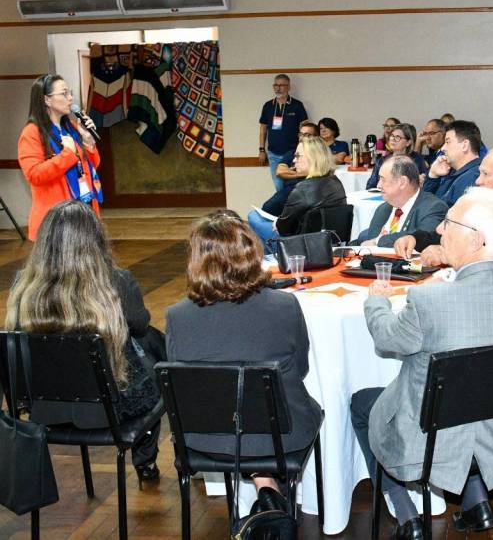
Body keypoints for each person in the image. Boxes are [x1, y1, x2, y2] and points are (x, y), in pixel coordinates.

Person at [351, 188, 493, 539]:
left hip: (430, 445)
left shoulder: (430, 299)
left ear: (476, 240)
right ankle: (475, 500)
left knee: (361, 403)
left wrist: (376, 302)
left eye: (449, 222)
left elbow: (388, 339)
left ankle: (405, 513)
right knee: (469, 397)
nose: (440, 230)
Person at [167, 212, 321, 502]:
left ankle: (265, 488)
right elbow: (300, 369)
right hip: (279, 436)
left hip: (207, 438)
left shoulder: (177, 316)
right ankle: (270, 490)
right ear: (251, 254)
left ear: (196, 260)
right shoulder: (285, 305)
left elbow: (184, 384)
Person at [6, 200, 162, 481]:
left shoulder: (23, 286)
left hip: (44, 408)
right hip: (108, 411)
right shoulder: (117, 281)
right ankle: (145, 462)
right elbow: (140, 325)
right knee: (154, 349)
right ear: (96, 239)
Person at [394, 146, 493, 261]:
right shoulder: (488, 200)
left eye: (485, 174)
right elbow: (453, 230)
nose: (478, 181)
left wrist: (447, 254)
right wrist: (415, 238)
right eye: (479, 173)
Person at [18, 74, 102, 242]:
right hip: (56, 221)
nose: (70, 98)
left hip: (83, 211)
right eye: (64, 93)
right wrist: (68, 155)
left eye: (70, 93)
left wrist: (88, 141)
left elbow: (92, 166)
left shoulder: (71, 127)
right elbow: (34, 175)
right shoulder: (32, 133)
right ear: (47, 100)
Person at [248, 136, 347, 250]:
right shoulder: (336, 182)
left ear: (312, 158)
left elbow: (282, 228)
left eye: (298, 156)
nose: (294, 160)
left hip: (299, 247)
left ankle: (270, 258)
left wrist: (278, 223)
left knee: (253, 216)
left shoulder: (302, 190)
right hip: (329, 243)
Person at [356, 154, 448, 247]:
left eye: (383, 179)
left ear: (402, 182)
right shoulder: (382, 209)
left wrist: (378, 241)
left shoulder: (434, 208)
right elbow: (370, 247)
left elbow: (424, 238)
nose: (378, 185)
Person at [254, 120, 320, 219]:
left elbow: (319, 171)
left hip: (305, 190)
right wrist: (301, 173)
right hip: (289, 189)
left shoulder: (319, 154)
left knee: (258, 215)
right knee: (264, 211)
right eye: (301, 134)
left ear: (316, 137)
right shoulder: (291, 153)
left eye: (307, 135)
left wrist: (291, 172)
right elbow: (280, 172)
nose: (302, 137)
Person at [258, 74, 308, 192]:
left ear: (288, 87)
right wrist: (261, 150)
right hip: (273, 154)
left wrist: (303, 148)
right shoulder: (268, 106)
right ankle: (284, 204)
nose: (278, 88)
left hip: (293, 153)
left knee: (294, 185)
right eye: (276, 85)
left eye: (281, 85)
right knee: (279, 186)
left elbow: (305, 129)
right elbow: (263, 129)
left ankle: (291, 203)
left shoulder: (297, 105)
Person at [424, 120, 484, 206]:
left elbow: (433, 210)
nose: (443, 148)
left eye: (447, 142)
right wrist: (433, 176)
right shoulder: (454, 174)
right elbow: (426, 204)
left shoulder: (474, 178)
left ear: (464, 145)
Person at [367, 123, 429, 189]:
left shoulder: (417, 160)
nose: (392, 139)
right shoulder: (381, 161)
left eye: (397, 137)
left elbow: (426, 185)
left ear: (408, 142)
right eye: (392, 136)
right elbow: (370, 187)